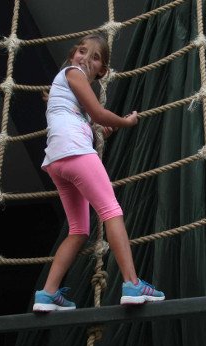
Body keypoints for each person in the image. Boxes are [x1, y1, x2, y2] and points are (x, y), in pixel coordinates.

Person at [33, 34, 165, 312]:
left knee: (79, 230)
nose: (84, 58)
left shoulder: (70, 92)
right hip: (75, 154)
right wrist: (125, 122)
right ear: (72, 55)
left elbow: (84, 115)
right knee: (111, 211)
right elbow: (99, 112)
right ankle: (132, 283)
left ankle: (47, 293)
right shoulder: (72, 72)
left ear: (102, 70)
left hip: (57, 161)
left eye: (94, 56)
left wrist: (94, 124)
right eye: (82, 51)